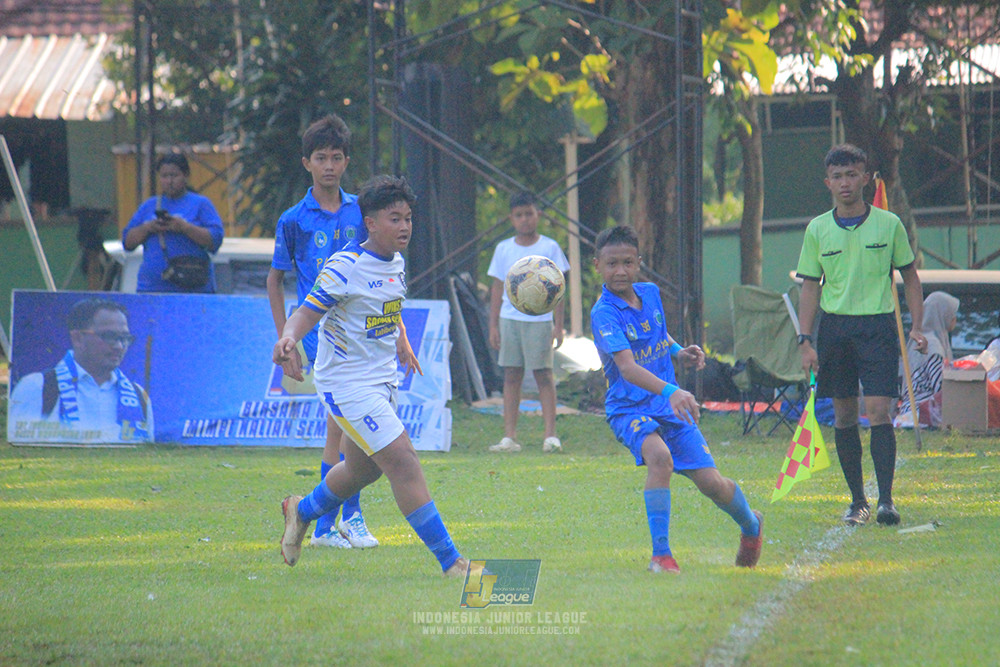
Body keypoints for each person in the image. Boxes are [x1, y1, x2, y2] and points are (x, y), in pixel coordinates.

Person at [274, 174, 467, 576]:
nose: (405, 227)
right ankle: (453, 563)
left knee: (364, 471)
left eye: (408, 218)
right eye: (394, 218)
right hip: (345, 384)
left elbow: (385, 308)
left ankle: (300, 509)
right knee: (403, 461)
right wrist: (288, 339)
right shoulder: (345, 266)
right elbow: (307, 312)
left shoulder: (395, 263)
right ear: (371, 222)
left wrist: (402, 339)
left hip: (382, 380)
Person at [590, 225, 763, 573]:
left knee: (712, 485)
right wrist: (673, 390)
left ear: (639, 262)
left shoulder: (650, 293)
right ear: (597, 266)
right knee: (659, 457)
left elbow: (655, 333)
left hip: (669, 406)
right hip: (630, 409)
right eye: (611, 264)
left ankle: (751, 525)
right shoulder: (603, 313)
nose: (619, 271)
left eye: (627, 262)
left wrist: (678, 351)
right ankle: (661, 555)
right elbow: (626, 367)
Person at [795, 143, 927, 528]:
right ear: (827, 183)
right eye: (837, 176)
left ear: (866, 178)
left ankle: (886, 500)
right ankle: (857, 501)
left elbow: (911, 276)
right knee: (844, 415)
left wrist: (917, 326)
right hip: (835, 329)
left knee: (879, 411)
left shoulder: (889, 224)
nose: (845, 183)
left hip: (878, 325)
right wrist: (805, 339)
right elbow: (809, 285)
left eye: (852, 174)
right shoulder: (818, 229)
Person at [266, 114, 375, 550]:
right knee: (345, 424)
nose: (328, 165)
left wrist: (397, 330)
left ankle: (333, 522)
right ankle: (343, 521)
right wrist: (284, 339)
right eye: (320, 158)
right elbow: (275, 279)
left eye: (336, 157)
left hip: (360, 332)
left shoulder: (360, 212)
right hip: (318, 336)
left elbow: (375, 271)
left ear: (346, 161)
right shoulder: (293, 220)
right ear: (306, 162)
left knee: (345, 425)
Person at [486, 191, 570, 453]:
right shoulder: (503, 249)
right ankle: (509, 437)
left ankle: (550, 436)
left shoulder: (550, 247)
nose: (524, 220)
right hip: (509, 320)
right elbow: (497, 289)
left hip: (540, 321)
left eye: (529, 214)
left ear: (538, 215)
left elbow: (559, 289)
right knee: (511, 375)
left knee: (544, 375)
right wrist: (493, 325)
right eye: (519, 215)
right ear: (511, 218)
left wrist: (558, 324)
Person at [8, 298, 153, 444]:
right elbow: (21, 449)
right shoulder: (37, 387)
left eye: (125, 338)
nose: (120, 346)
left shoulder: (138, 396)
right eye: (109, 337)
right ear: (77, 338)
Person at [122, 153, 225, 293]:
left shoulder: (200, 204)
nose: (169, 181)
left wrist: (184, 227)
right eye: (164, 176)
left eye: (174, 176)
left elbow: (215, 241)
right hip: (152, 289)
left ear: (186, 176)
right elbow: (127, 243)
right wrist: (148, 228)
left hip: (192, 290)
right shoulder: (149, 206)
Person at [894, 291, 959, 429]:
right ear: (944, 315)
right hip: (923, 414)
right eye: (952, 314)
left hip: (910, 411)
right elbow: (941, 388)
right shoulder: (933, 345)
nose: (955, 319)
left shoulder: (921, 339)